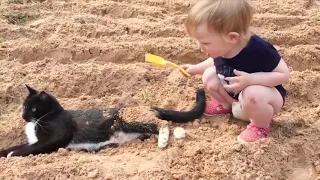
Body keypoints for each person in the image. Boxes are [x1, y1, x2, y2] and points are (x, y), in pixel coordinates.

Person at [181, 0, 290, 143]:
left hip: (264, 99)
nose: (200, 47)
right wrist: (195, 69)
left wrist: (251, 80)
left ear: (232, 37)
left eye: (206, 43)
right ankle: (226, 105)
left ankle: (260, 126)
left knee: (252, 94)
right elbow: (216, 61)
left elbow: (283, 75)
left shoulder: (259, 50)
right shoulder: (223, 47)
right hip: (236, 97)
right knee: (209, 75)